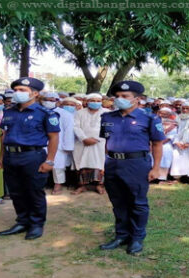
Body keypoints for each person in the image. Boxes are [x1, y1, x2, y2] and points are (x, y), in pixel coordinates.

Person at [98, 81, 165, 255]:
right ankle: (121, 235)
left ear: (137, 99)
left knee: (137, 202)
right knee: (118, 202)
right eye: (117, 96)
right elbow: (107, 142)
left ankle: (136, 238)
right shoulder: (107, 118)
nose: (119, 99)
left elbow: (157, 144)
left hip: (136, 165)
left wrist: (156, 168)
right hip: (113, 164)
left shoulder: (149, 118)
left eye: (125, 96)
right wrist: (105, 163)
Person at [0, 77, 60, 240]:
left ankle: (36, 224)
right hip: (11, 156)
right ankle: (22, 221)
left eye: (22, 90)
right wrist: (1, 157)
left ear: (35, 93)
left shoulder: (46, 113)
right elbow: (4, 135)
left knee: (34, 192)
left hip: (32, 156)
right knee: (16, 192)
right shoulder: (9, 112)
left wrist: (50, 161)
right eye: (16, 90)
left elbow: (53, 137)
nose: (17, 93)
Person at [72, 93, 107, 195]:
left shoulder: (107, 113)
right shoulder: (79, 113)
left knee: (100, 163)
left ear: (101, 102)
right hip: (82, 142)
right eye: (92, 100)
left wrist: (97, 139)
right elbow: (75, 127)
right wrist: (84, 138)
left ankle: (99, 185)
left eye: (98, 101)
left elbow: (108, 128)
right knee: (81, 163)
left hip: (100, 143)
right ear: (87, 102)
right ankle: (81, 186)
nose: (95, 103)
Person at [44, 94, 75, 195]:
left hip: (59, 144)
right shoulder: (38, 112)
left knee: (58, 166)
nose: (50, 101)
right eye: (47, 99)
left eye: (53, 100)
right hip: (41, 143)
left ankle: (58, 184)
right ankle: (42, 184)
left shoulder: (65, 114)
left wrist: (68, 146)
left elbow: (69, 131)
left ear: (58, 101)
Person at [157, 107, 177, 183]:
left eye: (165, 113)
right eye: (161, 113)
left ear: (169, 114)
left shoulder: (173, 124)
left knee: (165, 160)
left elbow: (171, 136)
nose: (162, 115)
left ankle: (162, 178)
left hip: (166, 145)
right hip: (154, 145)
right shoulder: (154, 121)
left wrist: (160, 143)